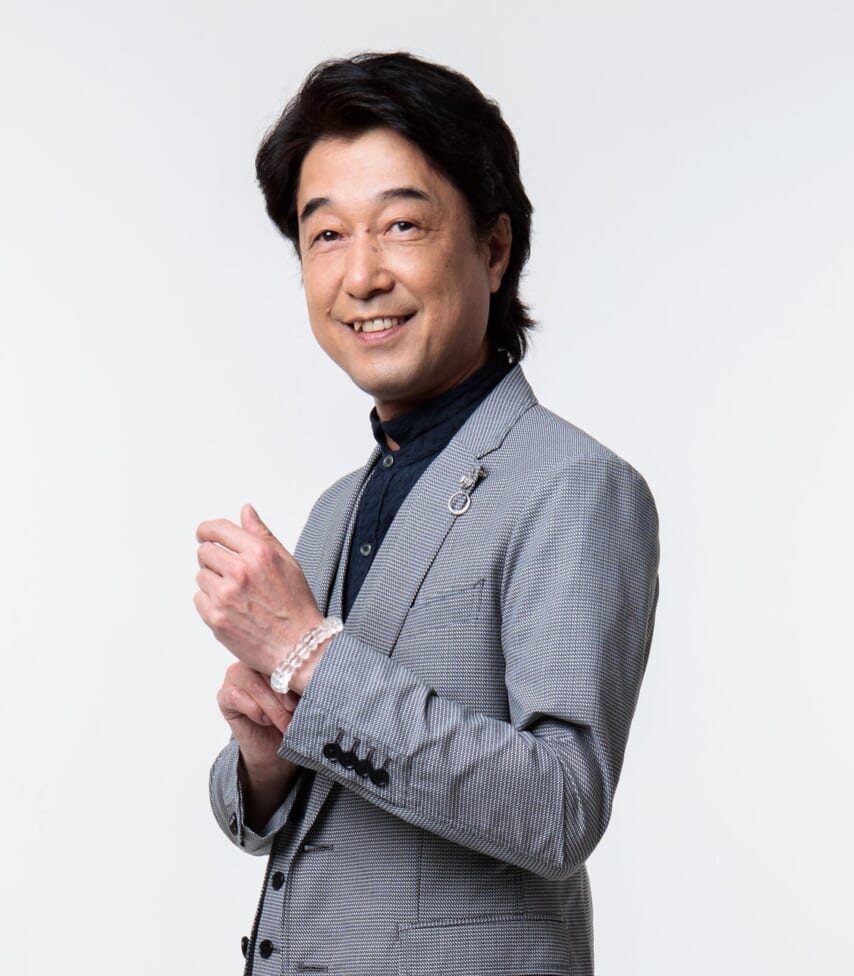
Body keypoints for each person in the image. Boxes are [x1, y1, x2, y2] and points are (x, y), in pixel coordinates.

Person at [196, 52, 660, 976]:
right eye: (326, 235)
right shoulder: (338, 507)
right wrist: (264, 758)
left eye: (401, 224)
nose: (361, 275)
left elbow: (561, 808)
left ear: (494, 247)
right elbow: (302, 816)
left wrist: (307, 653)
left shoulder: (574, 484)